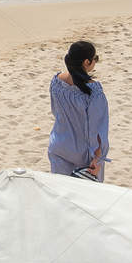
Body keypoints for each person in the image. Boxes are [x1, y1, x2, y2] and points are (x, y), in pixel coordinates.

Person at [48, 40, 108, 181]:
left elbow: (55, 111)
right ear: (87, 62)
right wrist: (98, 159)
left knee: (61, 196)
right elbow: (99, 129)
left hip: (59, 146)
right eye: (95, 59)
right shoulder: (94, 91)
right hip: (83, 154)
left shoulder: (56, 82)